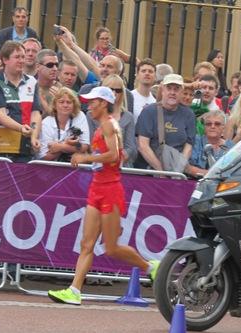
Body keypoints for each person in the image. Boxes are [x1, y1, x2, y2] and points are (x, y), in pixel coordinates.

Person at [47, 86, 158, 305]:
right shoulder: (100, 127)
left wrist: (86, 158)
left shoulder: (109, 124)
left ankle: (151, 267)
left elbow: (115, 155)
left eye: (93, 102)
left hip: (110, 190)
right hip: (97, 188)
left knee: (111, 247)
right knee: (86, 244)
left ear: (104, 103)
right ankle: (74, 291)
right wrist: (88, 157)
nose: (89, 105)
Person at [0, 41, 42, 162]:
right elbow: (0, 115)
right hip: (1, 148)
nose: (21, 60)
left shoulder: (32, 81)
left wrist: (34, 137)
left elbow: (35, 113)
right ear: (5, 60)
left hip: (25, 148)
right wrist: (21, 128)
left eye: (22, 57)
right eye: (17, 57)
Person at [135, 74, 196, 170]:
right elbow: (142, 145)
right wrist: (161, 171)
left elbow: (189, 146)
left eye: (176, 89)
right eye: (169, 88)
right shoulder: (149, 112)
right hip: (149, 171)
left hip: (176, 170)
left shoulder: (189, 114)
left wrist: (178, 169)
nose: (172, 92)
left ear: (181, 92)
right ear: (163, 90)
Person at [88, 75, 137, 167]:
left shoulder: (128, 117)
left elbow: (131, 148)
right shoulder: (91, 115)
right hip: (98, 165)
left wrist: (118, 159)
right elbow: (90, 144)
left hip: (122, 167)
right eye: (110, 89)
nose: (114, 93)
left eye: (118, 90)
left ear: (122, 93)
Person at [38, 87, 89, 161]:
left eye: (69, 102)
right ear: (55, 105)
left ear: (74, 105)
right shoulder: (46, 123)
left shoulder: (80, 116)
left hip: (75, 166)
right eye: (61, 102)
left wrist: (61, 147)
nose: (65, 105)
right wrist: (67, 144)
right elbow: (45, 156)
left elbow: (85, 146)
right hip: (52, 167)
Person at [186, 110, 233, 178]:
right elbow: (187, 167)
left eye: (217, 124)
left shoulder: (230, 146)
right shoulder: (195, 141)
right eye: (208, 124)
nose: (212, 126)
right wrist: (210, 174)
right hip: (194, 181)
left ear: (223, 127)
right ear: (204, 127)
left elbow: (233, 170)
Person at [132, 58, 156, 125]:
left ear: (155, 76)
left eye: (150, 71)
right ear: (137, 75)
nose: (147, 73)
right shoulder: (129, 97)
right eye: (143, 71)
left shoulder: (155, 101)